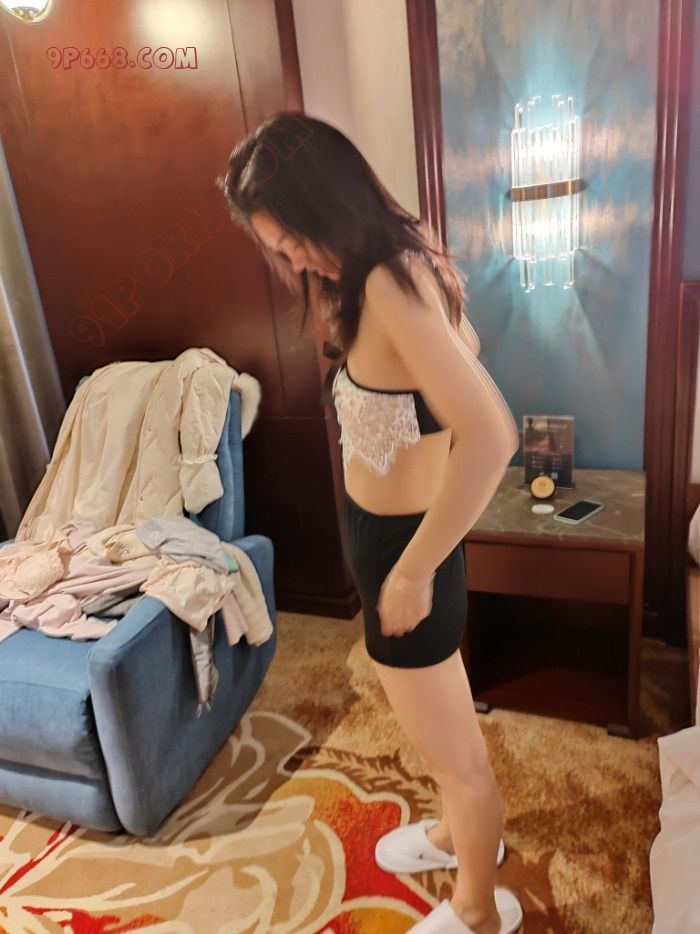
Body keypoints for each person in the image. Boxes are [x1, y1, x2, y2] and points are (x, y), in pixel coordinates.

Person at [217, 111, 522, 934]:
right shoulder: (376, 271)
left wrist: (415, 570)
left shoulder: (391, 281)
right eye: (279, 251)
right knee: (436, 738)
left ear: (329, 202)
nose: (295, 262)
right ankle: (456, 835)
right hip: (386, 542)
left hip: (406, 551)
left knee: (459, 761)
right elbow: (459, 353)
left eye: (295, 241)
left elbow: (492, 434)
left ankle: (477, 908)